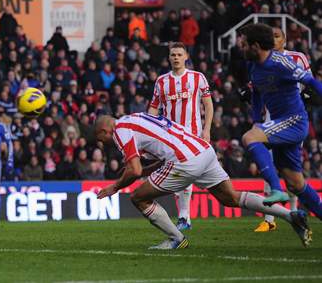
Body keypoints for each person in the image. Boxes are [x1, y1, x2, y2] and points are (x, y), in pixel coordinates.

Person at [95, 113, 311, 249]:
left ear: (105, 130)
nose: (104, 144)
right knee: (231, 198)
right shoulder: (137, 118)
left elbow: (134, 169)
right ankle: (290, 216)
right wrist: (141, 171)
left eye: (100, 139)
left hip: (184, 160)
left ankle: (176, 239)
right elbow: (149, 162)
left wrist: (114, 186)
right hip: (203, 151)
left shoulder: (120, 131)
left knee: (138, 197)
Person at [240, 23, 322, 224]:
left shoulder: (281, 63)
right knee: (296, 184)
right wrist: (257, 121)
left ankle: (276, 189)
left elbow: (311, 82)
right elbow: (258, 93)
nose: (240, 48)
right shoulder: (253, 65)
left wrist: (255, 128)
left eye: (244, 44)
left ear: (256, 46)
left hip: (294, 121)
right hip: (279, 122)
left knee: (249, 137)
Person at [148, 42, 213, 231]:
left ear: (186, 57)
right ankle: (184, 217)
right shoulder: (161, 81)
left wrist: (207, 129)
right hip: (170, 136)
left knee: (186, 173)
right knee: (179, 174)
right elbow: (154, 106)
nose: (176, 57)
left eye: (179, 54)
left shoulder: (198, 78)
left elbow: (208, 105)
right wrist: (150, 130)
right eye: (173, 55)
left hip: (192, 135)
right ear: (169, 58)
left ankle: (184, 216)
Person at [254, 27, 309, 232]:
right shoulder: (262, 60)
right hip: (271, 119)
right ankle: (269, 219)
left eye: (277, 36)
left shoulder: (297, 57)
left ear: (284, 40)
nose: (273, 40)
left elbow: (307, 82)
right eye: (271, 36)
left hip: (293, 118)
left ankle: (294, 212)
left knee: (292, 169)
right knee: (269, 165)